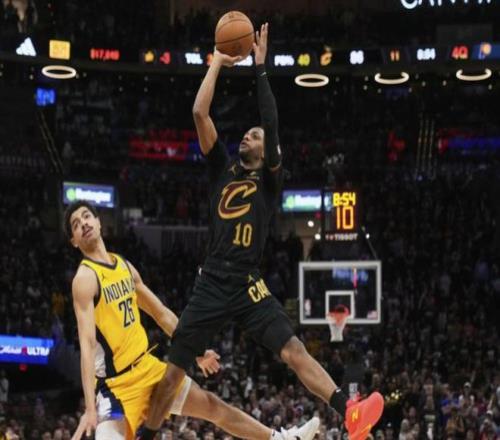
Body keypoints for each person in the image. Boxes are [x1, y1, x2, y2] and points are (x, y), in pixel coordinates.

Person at [140, 23, 383, 440]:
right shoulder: (222, 168)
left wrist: (260, 67)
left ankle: (349, 410)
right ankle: (145, 435)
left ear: (267, 148)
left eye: (255, 135)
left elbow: (270, 119)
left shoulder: (269, 180)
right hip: (212, 280)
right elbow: (199, 113)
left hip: (247, 282)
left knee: (293, 349)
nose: (248, 135)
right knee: (172, 375)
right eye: (247, 133)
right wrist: (217, 62)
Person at [65, 201, 319, 440]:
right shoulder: (85, 279)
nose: (83, 223)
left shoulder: (124, 266)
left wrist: (195, 351)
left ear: (99, 222)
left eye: (87, 216)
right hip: (116, 386)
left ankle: (280, 437)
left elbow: (161, 313)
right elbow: (87, 345)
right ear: (74, 241)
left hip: (147, 368)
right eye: (76, 224)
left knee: (211, 405)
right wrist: (89, 408)